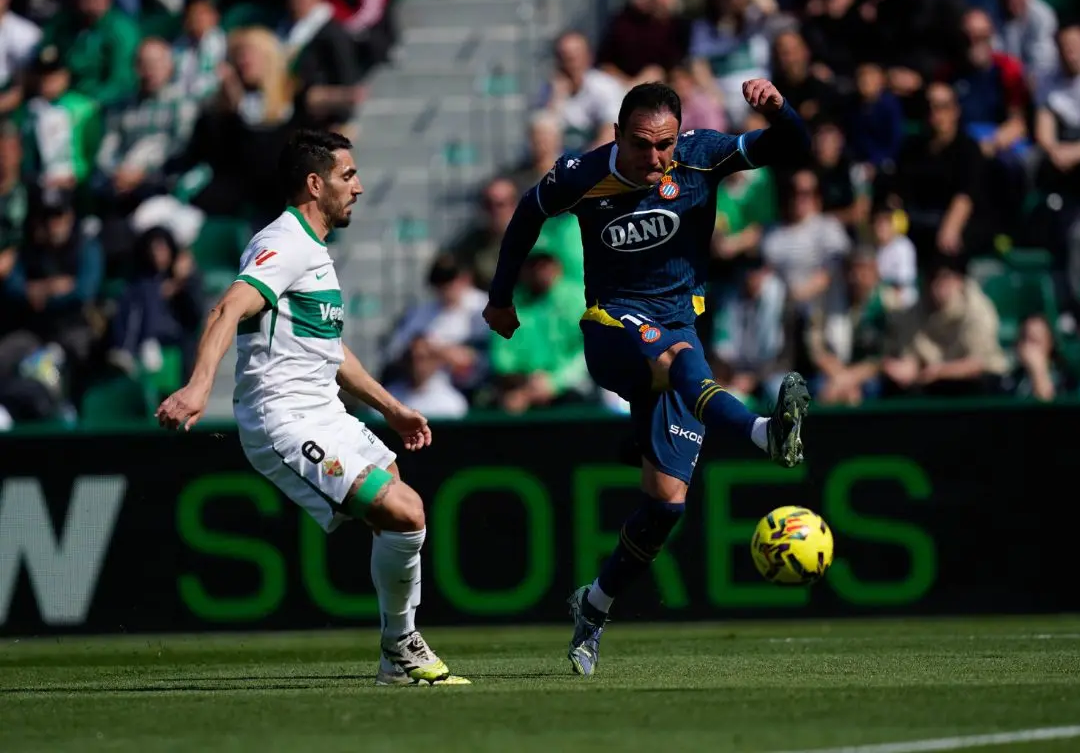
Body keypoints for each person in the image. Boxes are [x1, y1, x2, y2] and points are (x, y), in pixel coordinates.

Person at [483, 79, 812, 676]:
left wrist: (778, 109)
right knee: (678, 358)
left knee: (666, 507)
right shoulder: (583, 174)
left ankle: (594, 606)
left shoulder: (703, 155)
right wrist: (501, 297)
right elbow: (528, 213)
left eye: (663, 145)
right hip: (611, 327)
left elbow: (795, 145)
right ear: (616, 135)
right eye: (641, 144)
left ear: (678, 136)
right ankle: (764, 432)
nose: (654, 158)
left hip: (678, 331)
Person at [155, 129, 468, 687]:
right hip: (283, 418)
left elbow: (329, 350)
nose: (360, 187)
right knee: (407, 510)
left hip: (326, 413)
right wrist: (200, 386)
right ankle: (400, 646)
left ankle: (394, 658)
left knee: (395, 514)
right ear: (314, 183)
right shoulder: (284, 243)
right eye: (349, 176)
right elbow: (226, 308)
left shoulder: (313, 250)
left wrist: (391, 408)